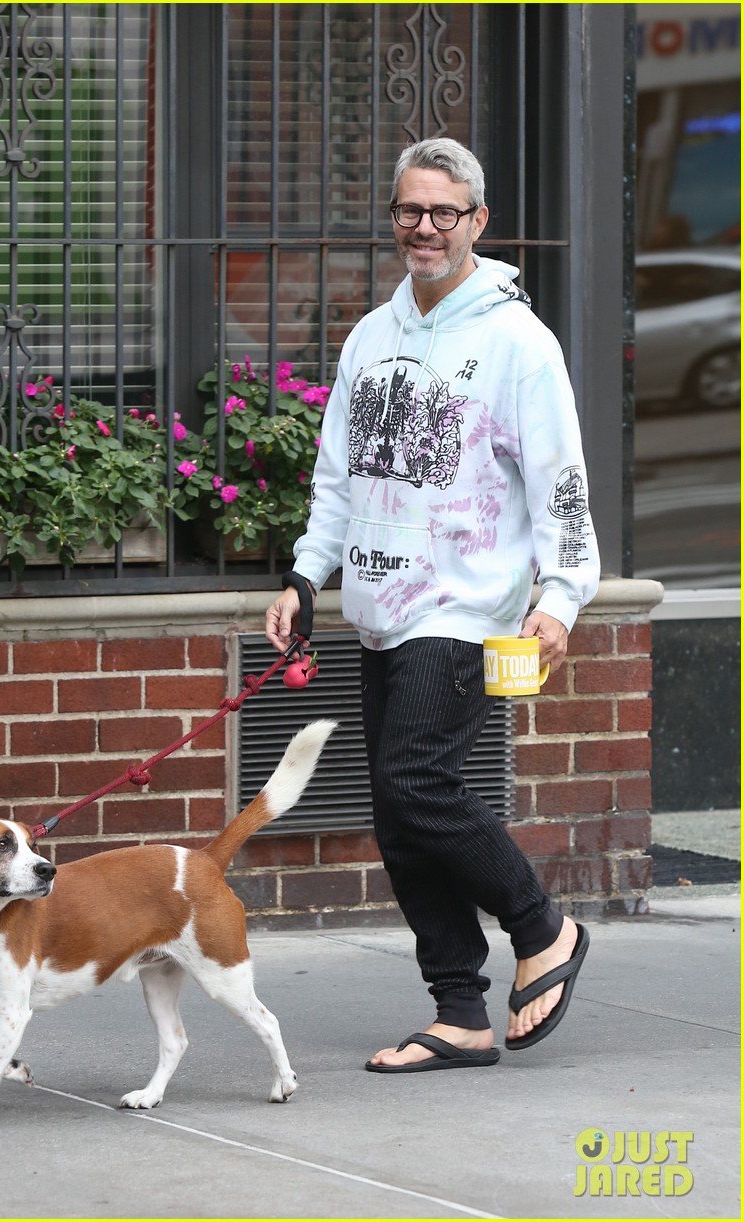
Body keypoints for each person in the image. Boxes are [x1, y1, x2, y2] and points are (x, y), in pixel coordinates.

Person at [265, 138, 600, 1072]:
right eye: (409, 211)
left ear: (476, 223)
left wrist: (560, 599)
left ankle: (544, 929)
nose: (423, 228)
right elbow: (337, 478)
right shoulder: (370, 337)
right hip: (377, 601)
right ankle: (458, 1009)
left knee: (418, 786)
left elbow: (561, 487)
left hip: (464, 608)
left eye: (442, 213)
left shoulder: (517, 345)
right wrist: (304, 575)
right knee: (398, 811)